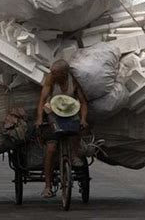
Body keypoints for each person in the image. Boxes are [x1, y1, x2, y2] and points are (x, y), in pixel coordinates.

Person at [35, 59, 88, 198]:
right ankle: (47, 186)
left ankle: (74, 154)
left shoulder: (73, 82)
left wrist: (83, 119)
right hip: (53, 114)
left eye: (55, 73)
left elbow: (83, 102)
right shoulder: (50, 80)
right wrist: (40, 119)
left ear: (64, 73)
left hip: (70, 113)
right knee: (51, 148)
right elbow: (42, 101)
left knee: (78, 127)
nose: (52, 74)